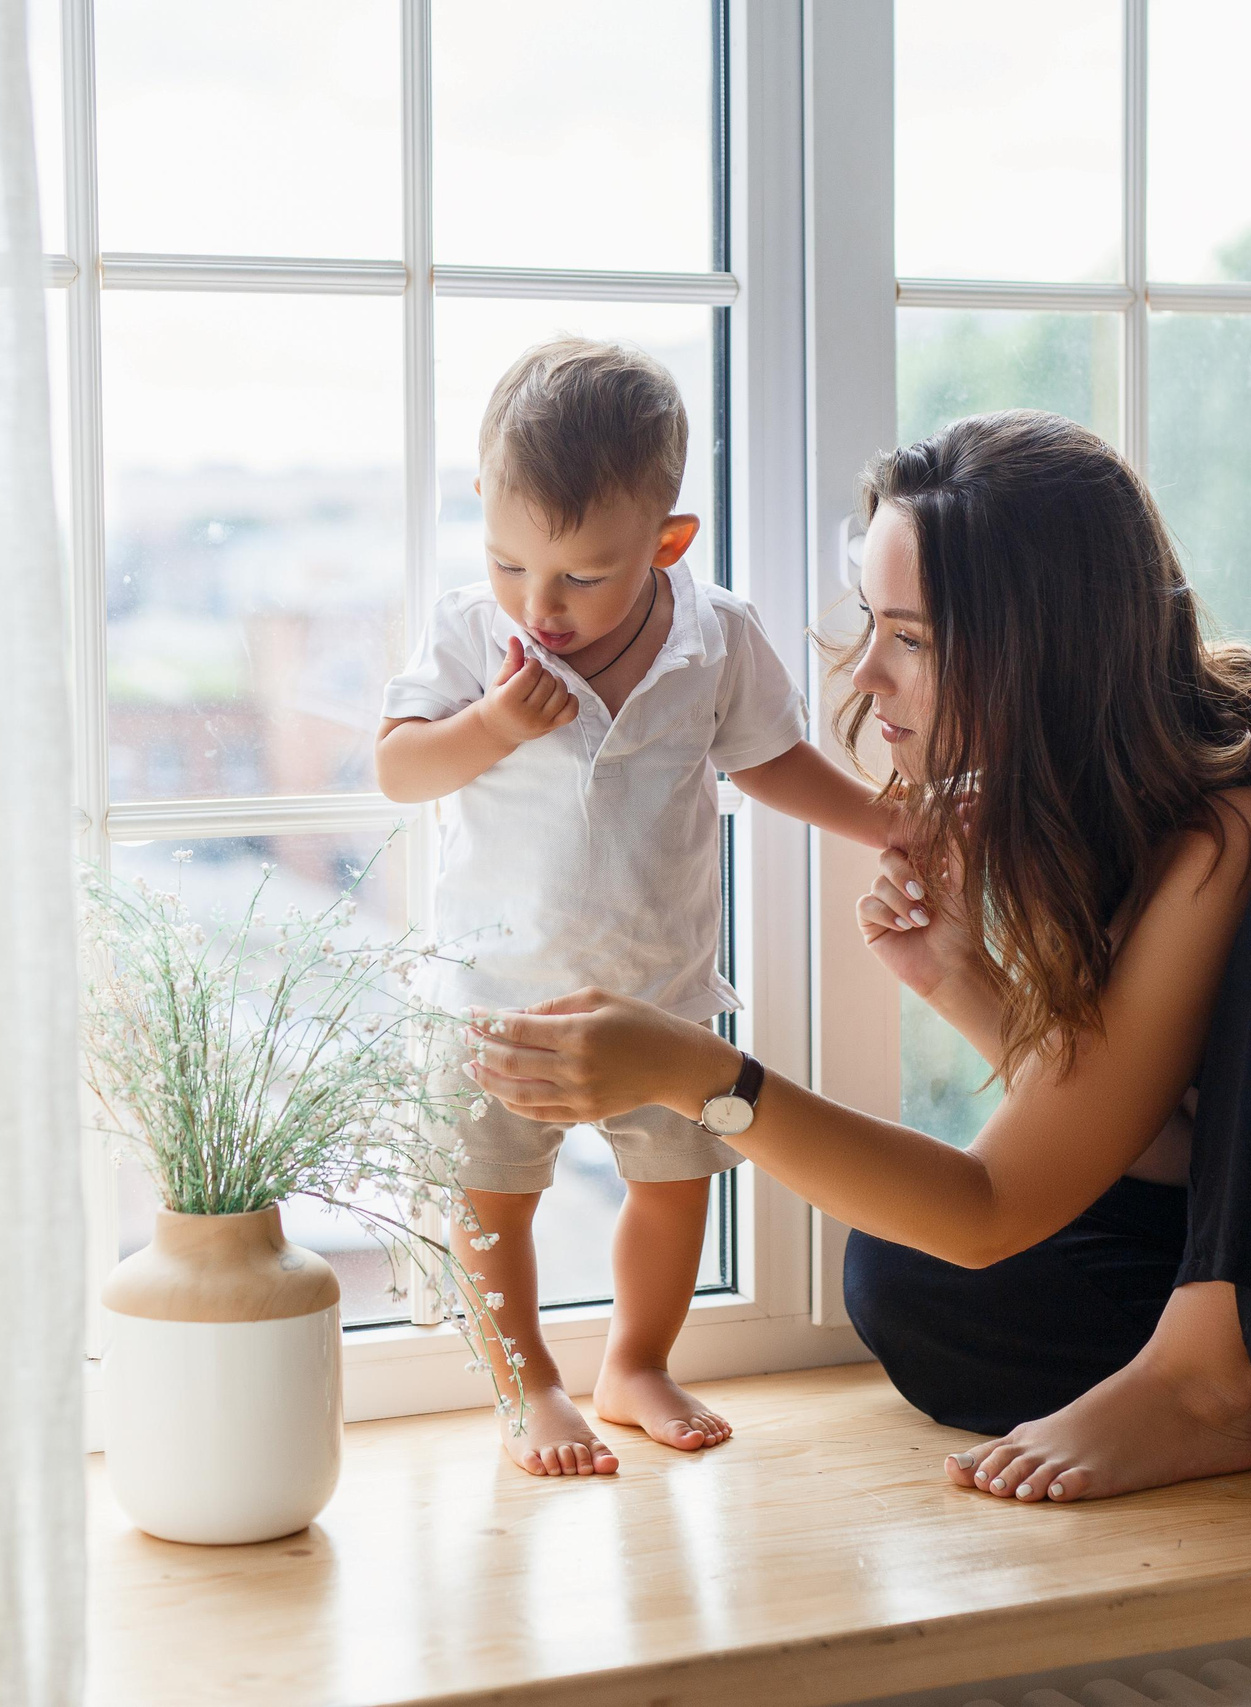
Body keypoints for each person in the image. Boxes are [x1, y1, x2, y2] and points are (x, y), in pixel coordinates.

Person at [462, 410, 1251, 1516]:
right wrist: (962, 980)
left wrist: (702, 1072)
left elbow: (1074, 1180)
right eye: (873, 623)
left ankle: (1212, 1378)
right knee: (908, 1273)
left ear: (1038, 647)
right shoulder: (1083, 820)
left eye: (908, 635)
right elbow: (1125, 1172)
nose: (866, 674)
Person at [376, 338, 897, 1478]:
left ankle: (637, 1362)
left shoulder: (714, 635)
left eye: (581, 576)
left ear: (666, 545)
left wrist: (887, 824)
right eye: (511, 565)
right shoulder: (473, 634)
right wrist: (489, 730)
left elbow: (772, 761)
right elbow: (400, 771)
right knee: (493, 1206)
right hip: (496, 1000)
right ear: (482, 515)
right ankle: (527, 1389)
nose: (540, 605)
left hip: (658, 1000)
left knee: (672, 1192)